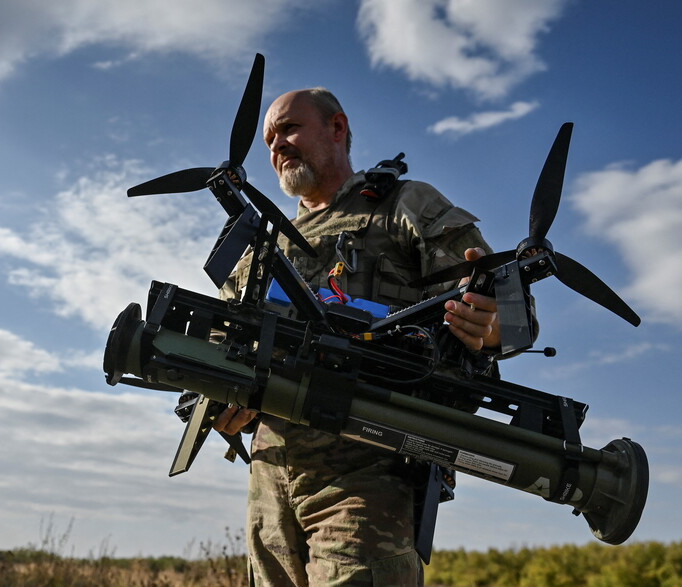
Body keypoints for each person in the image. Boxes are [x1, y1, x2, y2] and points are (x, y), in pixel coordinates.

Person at [213, 88, 502, 586]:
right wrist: (215, 399)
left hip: (369, 468)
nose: (277, 146)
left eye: (288, 129)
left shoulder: (404, 204)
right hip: (270, 477)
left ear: (337, 128)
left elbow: (501, 302)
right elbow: (220, 338)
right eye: (268, 141)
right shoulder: (263, 244)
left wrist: (490, 325)